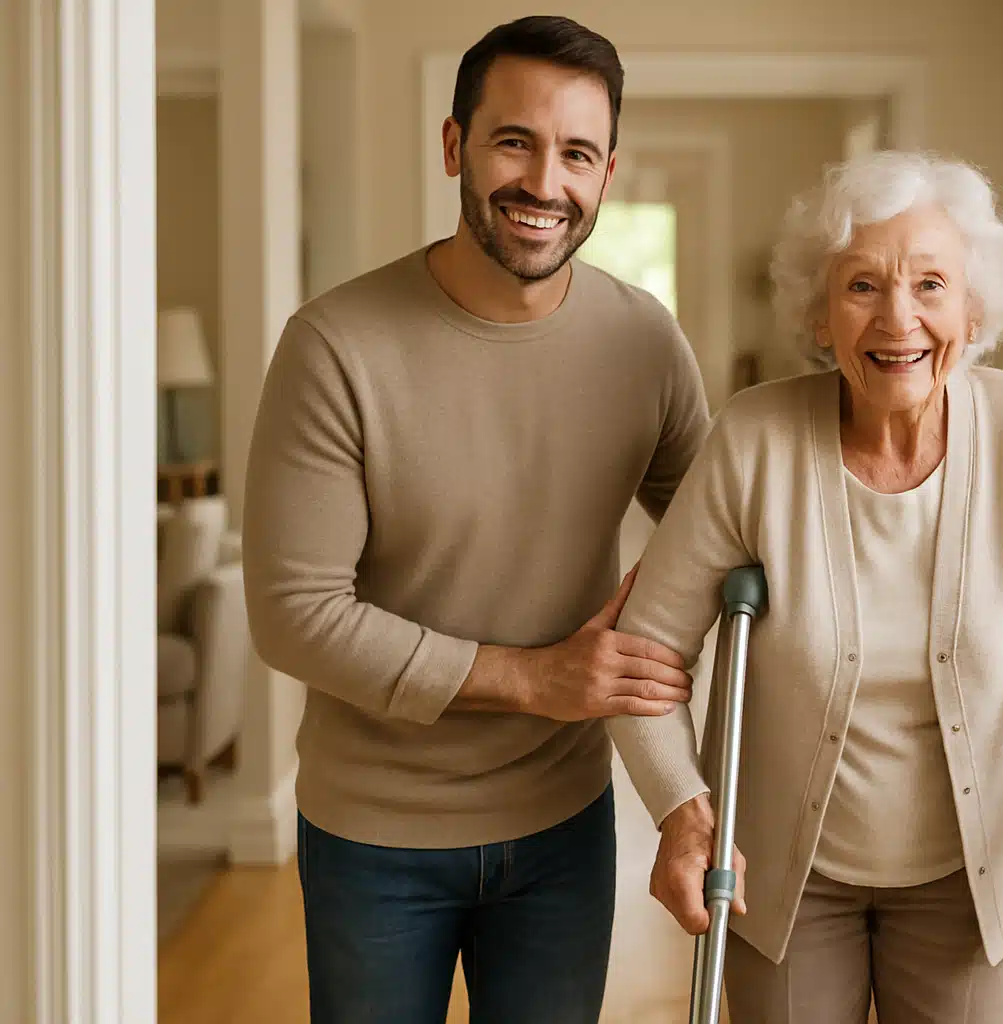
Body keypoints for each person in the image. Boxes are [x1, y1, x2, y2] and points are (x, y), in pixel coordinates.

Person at [606, 149, 1003, 1023]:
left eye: (931, 285)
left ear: (973, 306)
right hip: (782, 878)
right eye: (863, 286)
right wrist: (684, 814)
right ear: (821, 311)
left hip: (978, 875)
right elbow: (644, 657)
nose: (897, 318)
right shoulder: (754, 441)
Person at [241, 15, 712, 1024]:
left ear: (607, 172)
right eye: (515, 141)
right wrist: (534, 678)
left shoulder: (645, 344)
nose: (545, 181)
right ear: (454, 144)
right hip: (374, 835)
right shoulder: (335, 346)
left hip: (564, 828)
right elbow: (292, 614)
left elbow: (724, 543)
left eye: (577, 153)